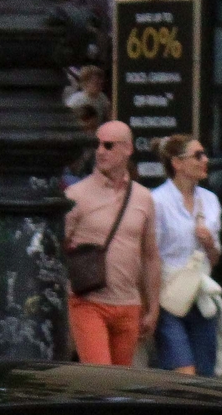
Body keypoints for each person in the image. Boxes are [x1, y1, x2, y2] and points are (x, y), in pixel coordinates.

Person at [62, 120, 159, 366]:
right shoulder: (76, 195)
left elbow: (150, 255)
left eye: (108, 145)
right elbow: (56, 249)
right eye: (96, 145)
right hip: (88, 302)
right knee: (99, 379)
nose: (100, 151)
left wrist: (153, 307)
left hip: (128, 304)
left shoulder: (143, 198)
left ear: (128, 149)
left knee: (120, 384)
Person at [150, 133, 222, 376]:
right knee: (184, 372)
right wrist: (150, 305)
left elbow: (214, 259)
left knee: (205, 377)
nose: (205, 160)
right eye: (197, 155)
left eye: (204, 155)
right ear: (177, 163)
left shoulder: (210, 200)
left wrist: (209, 243)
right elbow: (150, 255)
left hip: (201, 298)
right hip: (168, 297)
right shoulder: (157, 201)